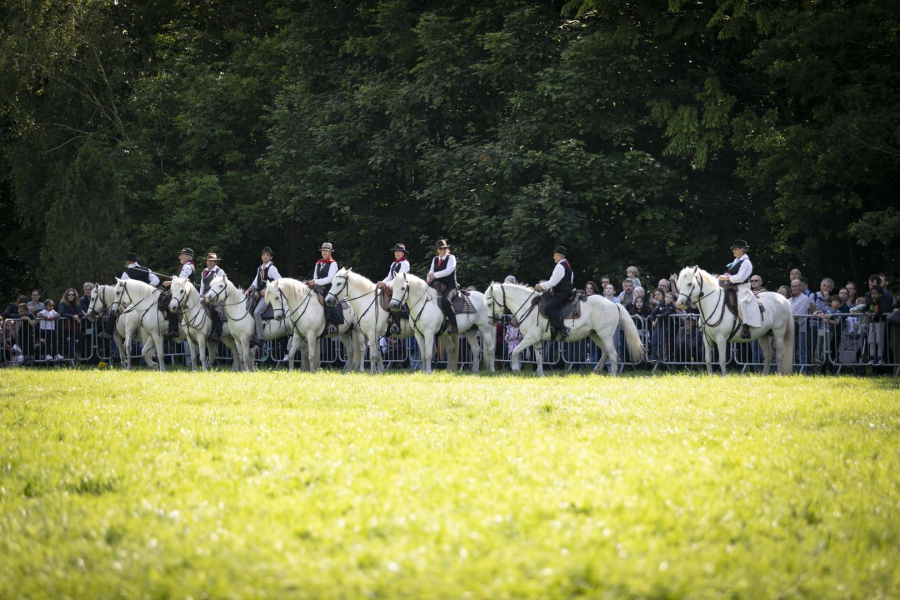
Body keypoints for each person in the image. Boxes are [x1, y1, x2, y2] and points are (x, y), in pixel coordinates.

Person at [717, 239, 761, 339]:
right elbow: (731, 272)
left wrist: (726, 278)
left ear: (742, 250)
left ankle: (746, 327)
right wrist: (726, 275)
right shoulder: (736, 261)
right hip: (732, 287)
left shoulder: (746, 262)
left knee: (742, 302)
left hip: (743, 288)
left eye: (735, 249)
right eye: (733, 249)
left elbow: (740, 277)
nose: (733, 251)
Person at [535, 246, 574, 341]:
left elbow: (553, 282)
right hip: (567, 291)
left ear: (559, 255)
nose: (553, 257)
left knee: (549, 308)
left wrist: (540, 286)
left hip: (562, 293)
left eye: (554, 255)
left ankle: (562, 329)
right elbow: (571, 280)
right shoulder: (567, 265)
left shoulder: (560, 266)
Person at [305, 242, 344, 335]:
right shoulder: (318, 263)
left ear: (330, 252)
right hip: (318, 286)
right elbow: (315, 276)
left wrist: (315, 282)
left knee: (328, 301)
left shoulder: (333, 264)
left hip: (329, 287)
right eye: (323, 251)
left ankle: (333, 323)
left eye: (326, 251)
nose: (324, 252)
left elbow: (330, 278)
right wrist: (312, 282)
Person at [246, 247, 282, 345]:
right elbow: (255, 283)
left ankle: (260, 337)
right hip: (259, 294)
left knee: (257, 312)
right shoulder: (260, 268)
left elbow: (279, 281)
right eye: (263, 255)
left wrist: (267, 290)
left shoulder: (272, 268)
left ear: (270, 257)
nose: (265, 257)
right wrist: (248, 291)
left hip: (269, 295)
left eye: (267, 255)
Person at [376, 243, 411, 336]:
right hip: (392, 286)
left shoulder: (405, 263)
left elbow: (398, 279)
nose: (397, 253)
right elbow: (389, 277)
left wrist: (385, 284)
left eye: (399, 251)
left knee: (393, 303)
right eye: (396, 251)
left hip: (400, 288)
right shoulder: (394, 263)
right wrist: (380, 283)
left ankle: (396, 325)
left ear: (403, 253)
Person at [426, 239, 459, 334]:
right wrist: (428, 279)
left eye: (444, 248)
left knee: (446, 301)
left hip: (450, 286)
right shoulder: (435, 259)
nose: (443, 250)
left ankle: (454, 325)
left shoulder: (451, 258)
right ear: (437, 250)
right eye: (440, 249)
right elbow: (431, 272)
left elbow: (448, 271)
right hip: (438, 286)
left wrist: (433, 275)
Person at [163, 248, 197, 339]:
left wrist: (169, 282)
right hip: (187, 292)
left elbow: (180, 281)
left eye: (181, 255)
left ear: (187, 256)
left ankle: (173, 329)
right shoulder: (188, 266)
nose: (179, 257)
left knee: (170, 303)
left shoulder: (186, 266)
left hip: (185, 293)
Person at [198, 253, 226, 340]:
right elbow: (202, 285)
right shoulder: (204, 271)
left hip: (215, 296)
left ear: (215, 262)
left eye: (211, 261)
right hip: (204, 295)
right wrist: (200, 296)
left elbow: (222, 286)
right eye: (208, 261)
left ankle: (217, 332)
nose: (209, 263)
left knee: (215, 310)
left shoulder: (220, 271)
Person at [865, 285, 891, 365]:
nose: (873, 295)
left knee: (879, 341)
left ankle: (880, 357)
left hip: (880, 323)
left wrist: (874, 316)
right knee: (871, 340)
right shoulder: (870, 302)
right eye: (872, 293)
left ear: (880, 294)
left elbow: (881, 311)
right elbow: (864, 309)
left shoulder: (881, 302)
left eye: (875, 293)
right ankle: (872, 357)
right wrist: (866, 313)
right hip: (872, 323)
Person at [58, 288, 85, 358]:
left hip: (74, 327)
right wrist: (73, 316)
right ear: (66, 295)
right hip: (64, 328)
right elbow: (62, 313)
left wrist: (77, 316)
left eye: (73, 295)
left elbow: (81, 312)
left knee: (82, 336)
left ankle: (76, 353)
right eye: (69, 294)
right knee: (65, 343)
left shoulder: (77, 303)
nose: (71, 296)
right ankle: (65, 359)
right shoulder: (63, 303)